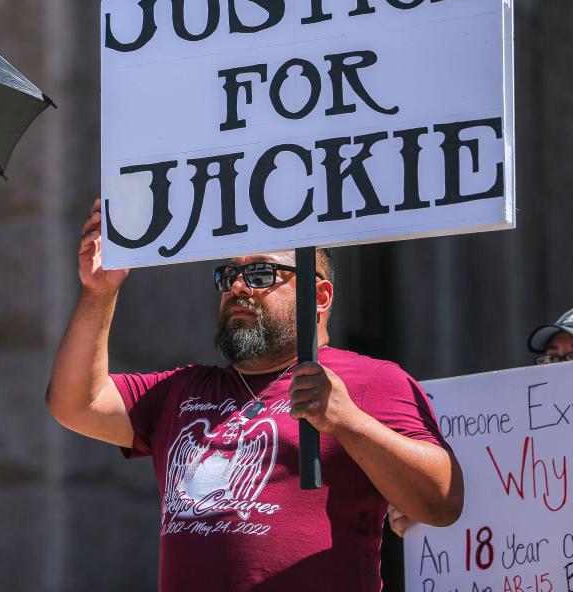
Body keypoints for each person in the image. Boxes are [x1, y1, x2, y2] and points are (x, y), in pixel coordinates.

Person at [46, 199, 463, 591]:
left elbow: (442, 502)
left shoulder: (371, 380)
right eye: (228, 275)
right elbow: (76, 403)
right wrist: (100, 292)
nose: (239, 287)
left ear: (320, 297)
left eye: (261, 273)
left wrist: (349, 421)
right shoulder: (183, 390)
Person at [389, 305, 573, 539]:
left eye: (571, 357)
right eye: (552, 357)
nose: (558, 368)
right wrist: (424, 516)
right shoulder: (515, 448)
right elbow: (489, 504)